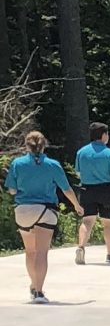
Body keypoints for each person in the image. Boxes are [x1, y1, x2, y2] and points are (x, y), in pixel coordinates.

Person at [6, 129, 83, 303]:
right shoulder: (52, 164)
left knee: (30, 252)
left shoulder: (17, 164)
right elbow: (66, 189)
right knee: (42, 253)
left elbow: (11, 189)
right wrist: (77, 206)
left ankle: (33, 285)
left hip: (23, 210)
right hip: (46, 210)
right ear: (44, 146)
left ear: (26, 145)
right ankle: (39, 292)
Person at [72, 121, 110, 264]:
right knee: (108, 223)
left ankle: (81, 247)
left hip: (87, 189)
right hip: (106, 190)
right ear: (104, 135)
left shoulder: (81, 152)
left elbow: (78, 172)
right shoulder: (109, 154)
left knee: (87, 221)